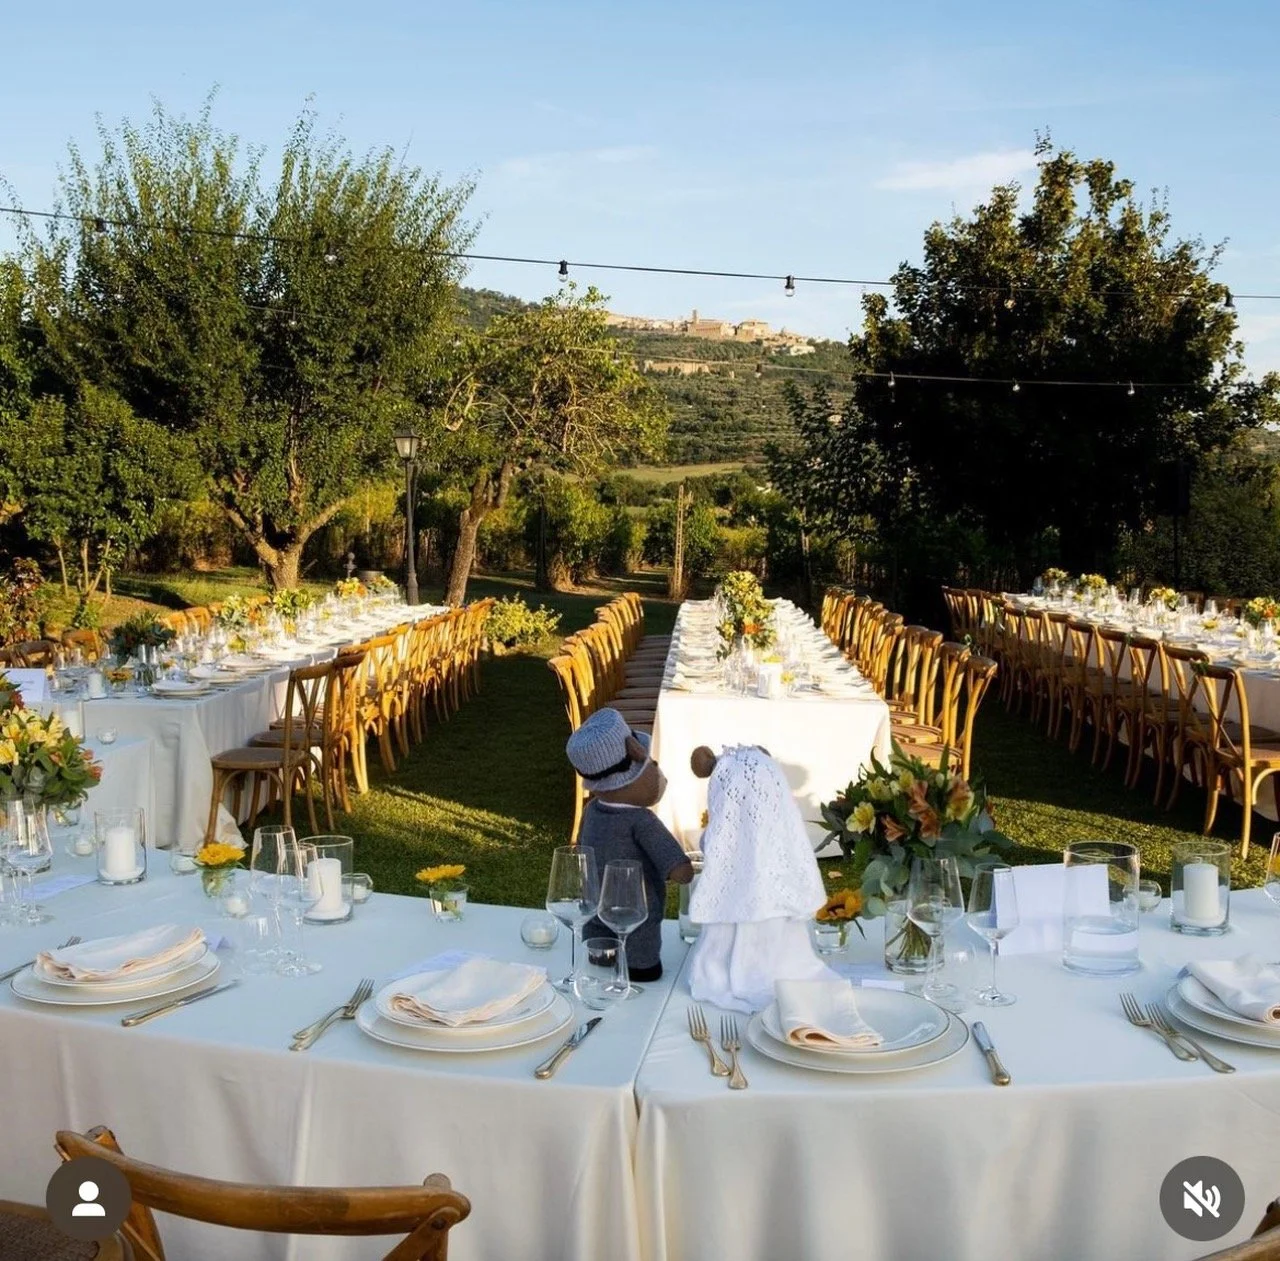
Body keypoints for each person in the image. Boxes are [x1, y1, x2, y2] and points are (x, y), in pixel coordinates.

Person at [565, 708, 693, 982]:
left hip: (595, 908)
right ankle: (638, 967)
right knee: (642, 964)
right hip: (638, 913)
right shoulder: (642, 820)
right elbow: (679, 869)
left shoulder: (592, 810)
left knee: (598, 953)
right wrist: (682, 868)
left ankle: (602, 959)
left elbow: (582, 848)